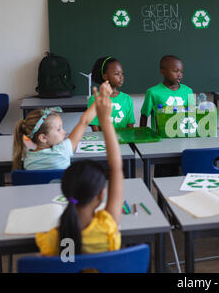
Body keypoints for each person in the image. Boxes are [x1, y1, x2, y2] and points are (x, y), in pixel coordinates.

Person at [36, 82, 124, 256]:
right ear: (101, 195)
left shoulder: (52, 239)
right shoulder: (107, 228)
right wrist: (105, 119)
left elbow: (42, 262)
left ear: (64, 190)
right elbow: (116, 169)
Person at [12, 82, 110, 171]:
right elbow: (84, 122)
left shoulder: (28, 158)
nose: (64, 131)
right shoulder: (61, 151)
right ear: (43, 138)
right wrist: (102, 96)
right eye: (59, 129)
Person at [140, 55, 194, 129]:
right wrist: (142, 135)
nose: (179, 75)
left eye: (181, 72)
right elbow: (144, 116)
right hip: (160, 137)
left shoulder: (188, 91)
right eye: (175, 71)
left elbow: (192, 115)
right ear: (163, 71)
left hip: (183, 136)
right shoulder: (152, 92)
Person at [88, 56, 135, 131]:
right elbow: (95, 128)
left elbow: (130, 126)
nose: (121, 77)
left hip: (124, 141)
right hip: (104, 141)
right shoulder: (94, 99)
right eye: (117, 74)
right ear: (105, 76)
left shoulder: (127, 99)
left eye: (122, 73)